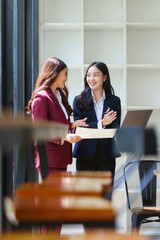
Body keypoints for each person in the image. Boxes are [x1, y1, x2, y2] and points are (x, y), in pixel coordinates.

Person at [27, 57, 87, 173]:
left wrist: (72, 125)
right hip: (49, 160)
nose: (66, 78)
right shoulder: (42, 97)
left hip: (60, 158)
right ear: (55, 73)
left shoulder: (58, 95)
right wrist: (64, 136)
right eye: (64, 74)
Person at [73, 61, 121, 179]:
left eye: (96, 75)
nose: (91, 79)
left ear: (104, 77)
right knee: (85, 194)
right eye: (88, 75)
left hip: (107, 154)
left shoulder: (114, 101)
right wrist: (102, 123)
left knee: (105, 194)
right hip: (85, 154)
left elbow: (115, 127)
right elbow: (80, 129)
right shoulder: (79, 100)